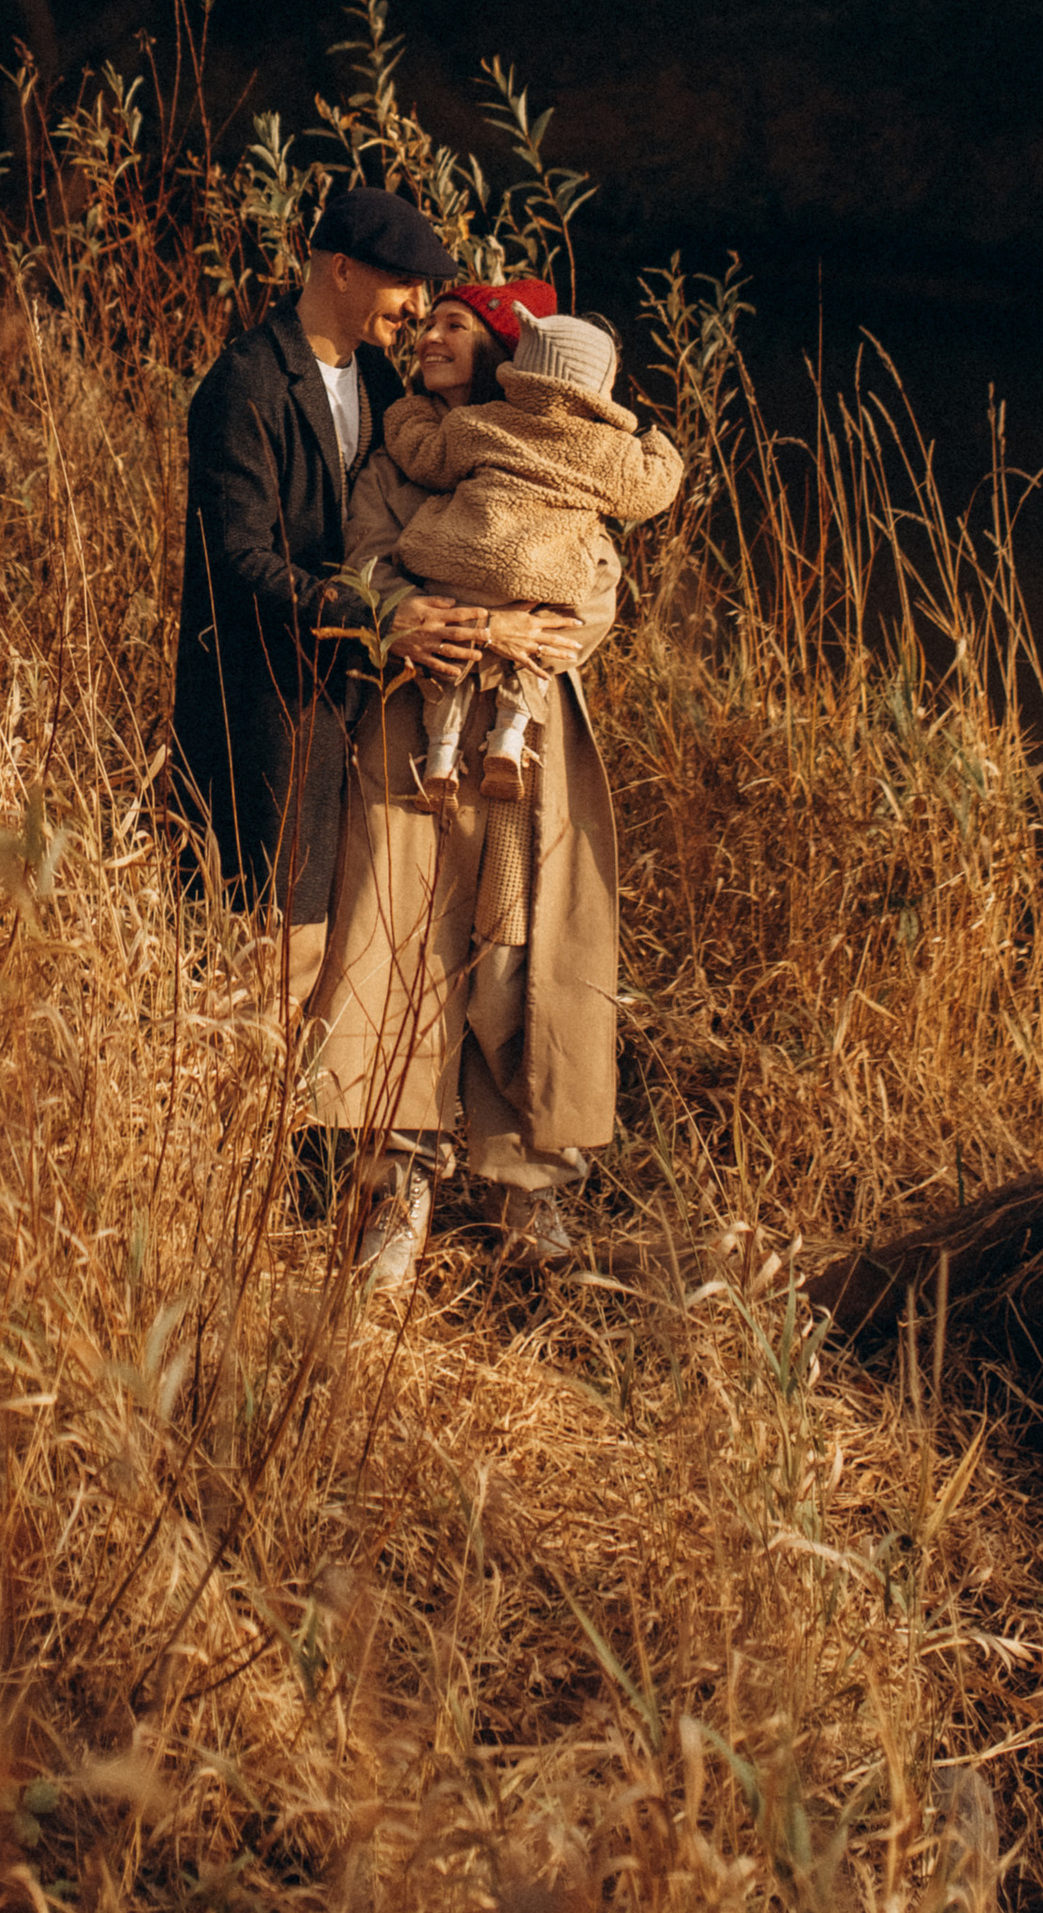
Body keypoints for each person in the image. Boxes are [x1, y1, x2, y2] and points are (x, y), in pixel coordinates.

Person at [306, 279, 646, 1293]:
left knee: (519, 960)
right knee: (398, 944)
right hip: (411, 728)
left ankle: (527, 1189)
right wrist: (480, 622)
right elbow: (368, 568)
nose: (427, 338)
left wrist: (532, 626)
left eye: (456, 326)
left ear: (505, 354)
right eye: (428, 323)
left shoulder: (557, 460)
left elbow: (592, 589)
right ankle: (395, 1186)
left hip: (527, 742)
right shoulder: (395, 463)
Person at [172, 183, 478, 985]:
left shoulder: (378, 380)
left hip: (352, 711)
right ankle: (235, 1075)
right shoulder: (245, 383)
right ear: (341, 269)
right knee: (270, 952)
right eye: (404, 283)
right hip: (266, 712)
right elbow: (238, 561)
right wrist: (379, 620)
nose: (419, 308)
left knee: (338, 951)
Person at [385, 310, 683, 807]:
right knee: (540, 645)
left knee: (449, 673)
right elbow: (652, 488)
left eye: (455, 325)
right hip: (541, 585)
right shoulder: (609, 451)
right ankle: (509, 737)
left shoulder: (478, 424)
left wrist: (407, 412)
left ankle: (439, 757)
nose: (431, 336)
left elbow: (425, 455)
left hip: (457, 569)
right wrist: (656, 442)